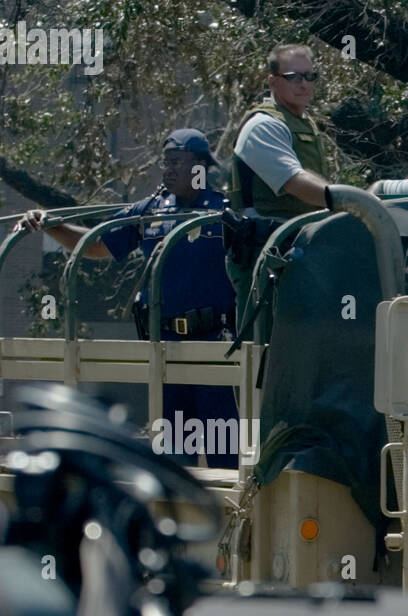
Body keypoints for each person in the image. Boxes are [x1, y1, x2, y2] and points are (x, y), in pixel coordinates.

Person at [14, 129, 240, 466]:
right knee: (175, 454)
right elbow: (96, 244)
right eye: (166, 163)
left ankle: (236, 519)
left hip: (212, 346)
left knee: (225, 453)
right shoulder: (151, 211)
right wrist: (52, 225)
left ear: (201, 167)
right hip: (165, 347)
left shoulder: (225, 213)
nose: (169, 170)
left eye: (178, 163)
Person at [227, 42, 334, 328]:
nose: (304, 85)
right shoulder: (263, 125)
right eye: (294, 77)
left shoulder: (305, 122)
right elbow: (294, 182)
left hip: (298, 254)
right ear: (273, 81)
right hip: (266, 258)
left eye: (310, 76)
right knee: (267, 354)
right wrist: (346, 203)